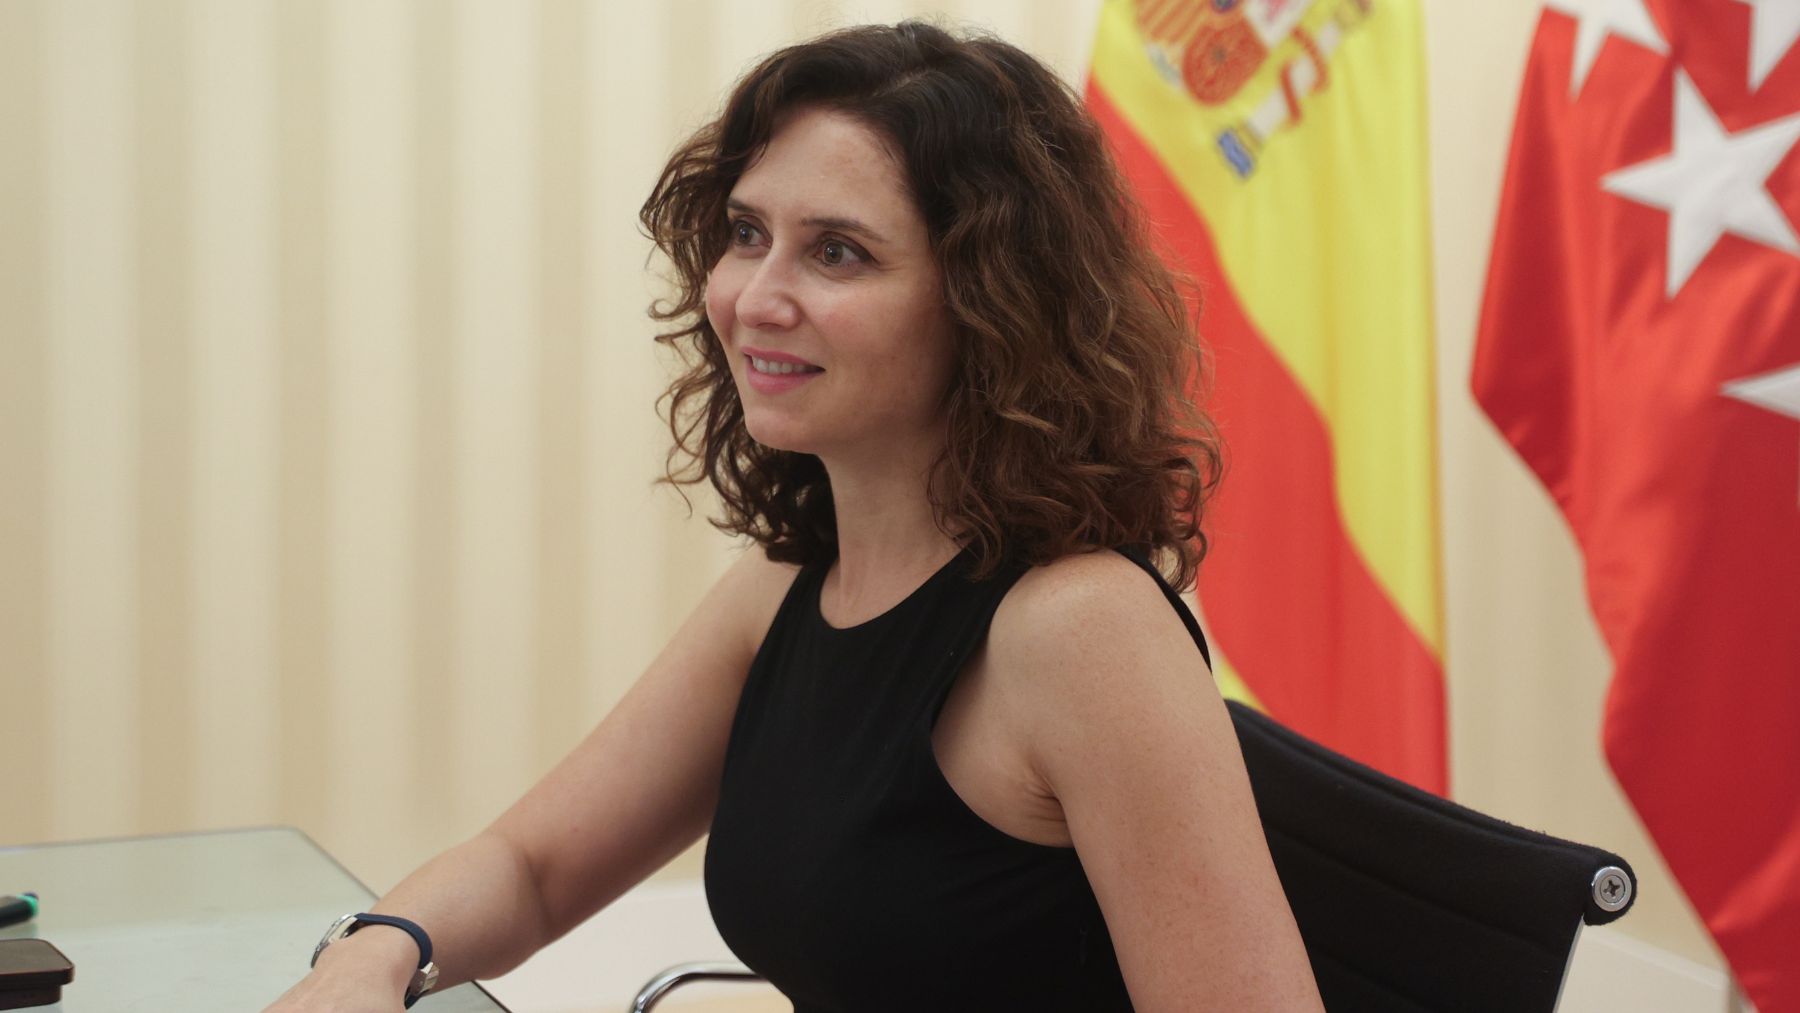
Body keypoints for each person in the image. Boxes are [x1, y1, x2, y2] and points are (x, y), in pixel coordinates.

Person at [268, 21, 1322, 1013]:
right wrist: (374, 950)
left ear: (989, 302)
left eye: (838, 253)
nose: (754, 297)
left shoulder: (1082, 628)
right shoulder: (778, 599)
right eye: (746, 233)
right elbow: (532, 867)